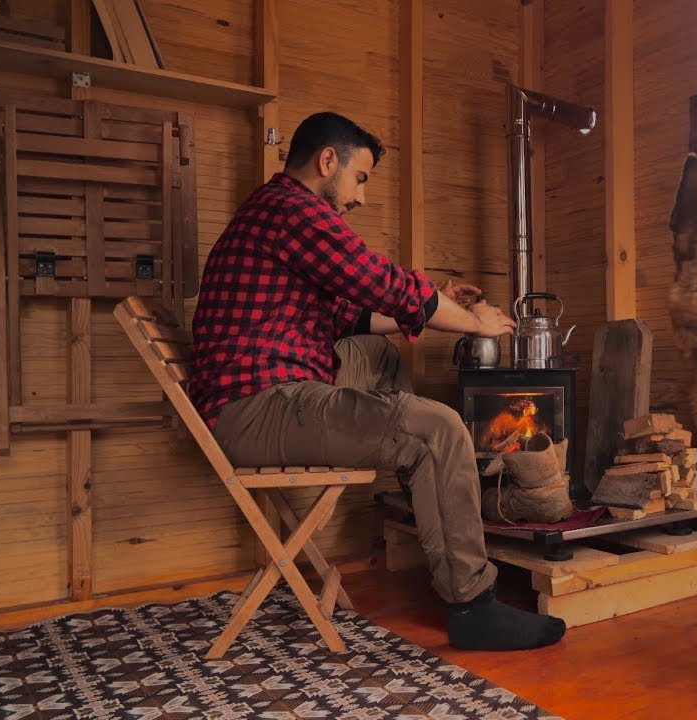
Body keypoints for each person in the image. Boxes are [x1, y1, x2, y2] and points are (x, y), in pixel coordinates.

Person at [189, 111, 566, 651]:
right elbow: (380, 282)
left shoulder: (275, 211)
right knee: (439, 428)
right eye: (359, 178)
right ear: (326, 162)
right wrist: (476, 322)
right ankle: (473, 605)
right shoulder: (294, 211)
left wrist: (437, 297)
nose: (360, 197)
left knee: (377, 355)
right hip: (259, 406)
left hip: (269, 388)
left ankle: (425, 487)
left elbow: (351, 315)